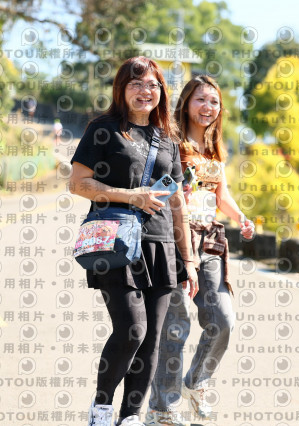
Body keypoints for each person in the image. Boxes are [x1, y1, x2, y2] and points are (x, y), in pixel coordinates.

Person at [69, 56, 199, 426]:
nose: (146, 91)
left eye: (153, 85)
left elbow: (177, 203)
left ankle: (131, 416)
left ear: (162, 92)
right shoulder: (103, 129)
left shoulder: (167, 138)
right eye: (136, 83)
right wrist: (132, 196)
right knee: (132, 330)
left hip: (162, 246)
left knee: (152, 338)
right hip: (116, 243)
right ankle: (102, 407)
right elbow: (78, 184)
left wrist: (189, 261)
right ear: (121, 89)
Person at [147, 75, 254, 425]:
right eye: (201, 99)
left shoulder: (214, 147)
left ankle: (196, 381)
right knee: (175, 326)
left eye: (214, 102)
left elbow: (221, 194)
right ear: (187, 103)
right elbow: (162, 189)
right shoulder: (171, 142)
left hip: (210, 242)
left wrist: (241, 218)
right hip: (176, 239)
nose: (208, 107)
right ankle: (161, 408)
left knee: (223, 320)